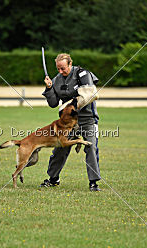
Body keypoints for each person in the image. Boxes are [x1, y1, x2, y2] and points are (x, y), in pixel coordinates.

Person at [41, 53, 102, 191]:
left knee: (91, 147)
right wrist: (49, 88)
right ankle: (53, 179)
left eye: (63, 68)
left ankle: (93, 182)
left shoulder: (83, 74)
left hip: (88, 120)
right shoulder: (56, 80)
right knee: (60, 148)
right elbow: (53, 103)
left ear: (70, 64)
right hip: (68, 123)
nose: (61, 72)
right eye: (58, 69)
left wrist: (67, 104)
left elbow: (89, 94)